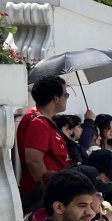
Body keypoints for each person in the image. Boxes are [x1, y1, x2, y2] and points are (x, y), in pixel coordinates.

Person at [16, 75, 71, 205]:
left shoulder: (44, 120)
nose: (67, 98)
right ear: (56, 98)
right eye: (66, 95)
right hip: (44, 196)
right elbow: (33, 161)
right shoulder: (38, 123)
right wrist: (49, 192)